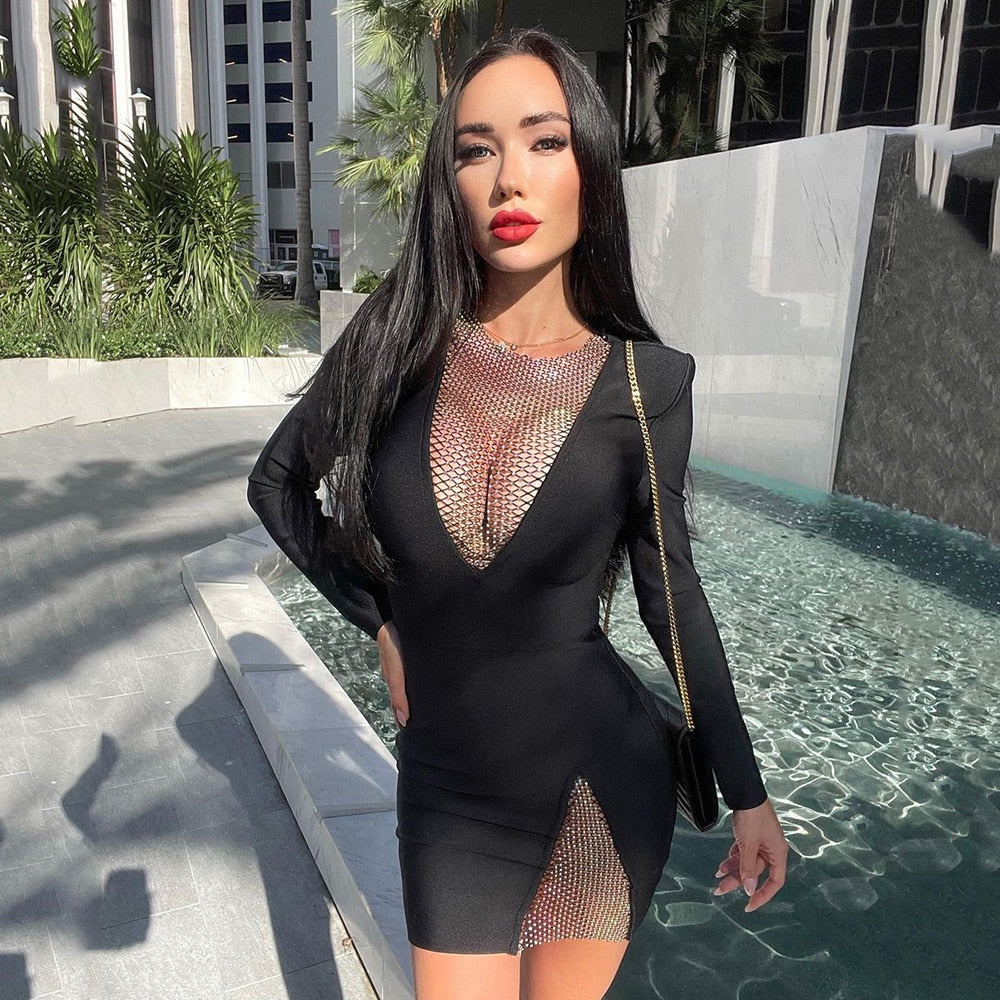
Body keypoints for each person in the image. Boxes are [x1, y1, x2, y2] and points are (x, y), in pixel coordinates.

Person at [247, 28, 788, 1000]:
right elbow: (277, 484)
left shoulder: (646, 382)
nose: (509, 179)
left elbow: (671, 598)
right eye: (475, 149)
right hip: (448, 792)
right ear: (447, 182)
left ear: (590, 166)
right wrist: (381, 622)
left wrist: (747, 795)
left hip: (599, 780)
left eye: (544, 141)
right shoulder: (396, 339)